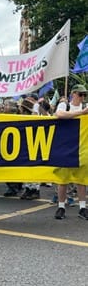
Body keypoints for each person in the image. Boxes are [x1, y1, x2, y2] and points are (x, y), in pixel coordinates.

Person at [54, 84, 88, 220]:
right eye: (80, 94)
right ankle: (61, 206)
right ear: (73, 94)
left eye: (84, 95)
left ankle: (82, 208)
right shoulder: (64, 106)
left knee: (81, 180)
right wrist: (81, 113)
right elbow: (59, 115)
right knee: (63, 180)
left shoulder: (84, 107)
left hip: (82, 148)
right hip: (65, 147)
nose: (82, 97)